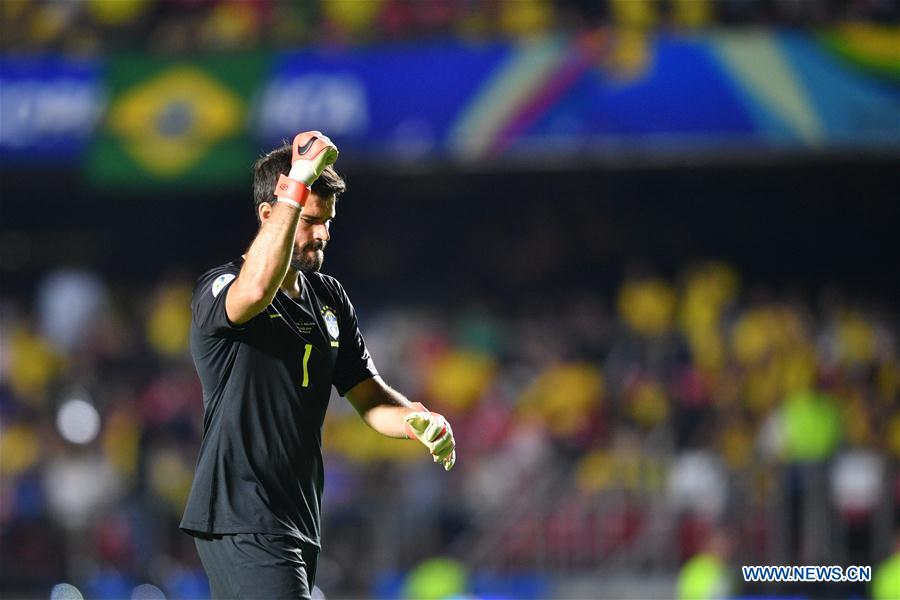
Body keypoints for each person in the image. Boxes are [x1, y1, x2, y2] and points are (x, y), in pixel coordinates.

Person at [180, 131, 456, 599]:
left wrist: (416, 420)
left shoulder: (329, 297)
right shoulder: (223, 286)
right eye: (310, 220)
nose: (323, 233)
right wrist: (297, 179)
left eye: (327, 221)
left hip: (298, 519)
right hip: (241, 513)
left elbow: (367, 395)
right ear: (271, 214)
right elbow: (253, 292)